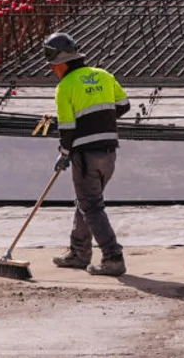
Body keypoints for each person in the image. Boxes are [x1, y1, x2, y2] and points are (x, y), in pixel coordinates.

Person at [45, 31, 132, 276]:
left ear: (62, 63)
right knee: (87, 202)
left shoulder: (65, 87)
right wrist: (99, 122)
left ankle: (113, 257)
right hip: (109, 152)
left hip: (85, 155)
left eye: (53, 66)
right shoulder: (104, 75)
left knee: (91, 206)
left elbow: (67, 128)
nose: (53, 71)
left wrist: (64, 152)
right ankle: (79, 253)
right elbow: (123, 106)